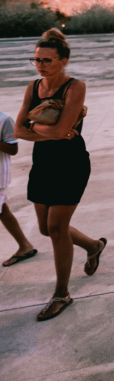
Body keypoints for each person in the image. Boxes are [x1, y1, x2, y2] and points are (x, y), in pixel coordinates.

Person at [14, 29, 105, 321]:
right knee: (45, 228)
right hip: (42, 163)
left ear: (63, 61)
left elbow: (55, 130)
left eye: (47, 60)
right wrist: (48, 131)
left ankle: (61, 294)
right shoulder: (33, 87)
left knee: (56, 228)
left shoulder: (75, 87)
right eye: (36, 60)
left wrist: (36, 125)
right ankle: (93, 246)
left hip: (71, 162)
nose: (40, 65)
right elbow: (18, 130)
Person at [1, 109, 37, 268]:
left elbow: (13, 149)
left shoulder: (4, 119)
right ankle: (24, 245)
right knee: (2, 209)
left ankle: (24, 245)